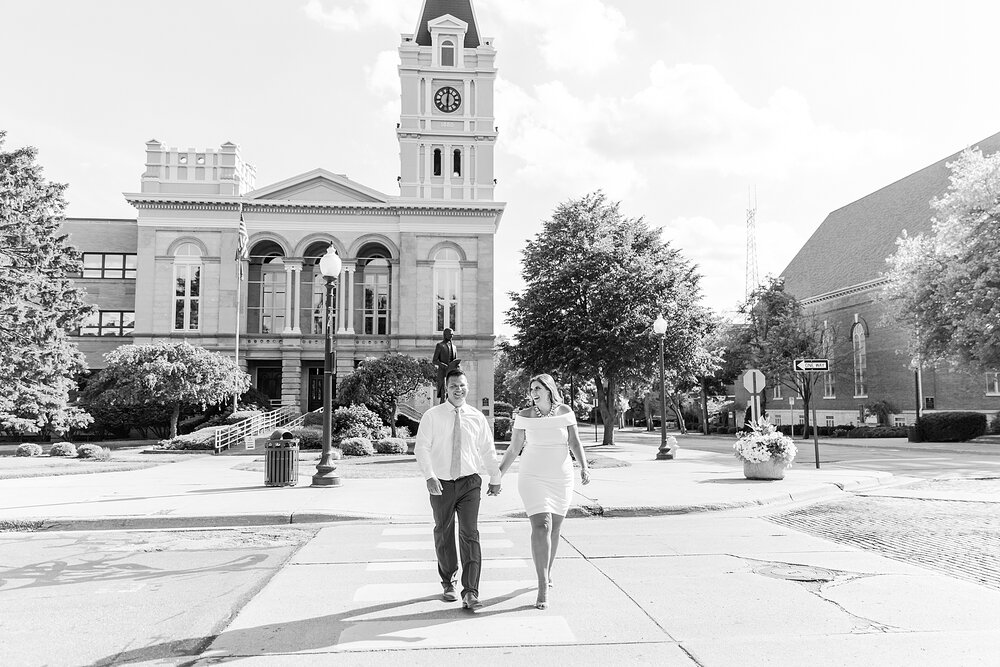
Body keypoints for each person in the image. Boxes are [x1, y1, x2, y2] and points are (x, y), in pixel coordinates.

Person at [498, 373, 590, 610]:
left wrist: (584, 467)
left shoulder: (565, 411)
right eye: (532, 388)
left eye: (539, 387)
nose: (534, 392)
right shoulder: (524, 416)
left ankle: (548, 572)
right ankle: (542, 587)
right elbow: (513, 448)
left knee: (555, 528)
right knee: (542, 525)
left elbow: (575, 442)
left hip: (561, 477)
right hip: (532, 476)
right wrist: (498, 474)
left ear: (549, 390)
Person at [414, 368, 501, 610]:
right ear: (446, 388)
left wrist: (495, 476)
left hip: (470, 482)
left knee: (470, 533)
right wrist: (429, 477)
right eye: (454, 386)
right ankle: (448, 581)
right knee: (443, 531)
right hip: (441, 483)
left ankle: (471, 591)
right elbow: (421, 448)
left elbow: (487, 450)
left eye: (462, 385)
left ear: (467, 387)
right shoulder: (432, 416)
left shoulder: (476, 417)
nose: (458, 389)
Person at [432, 328, 460, 403]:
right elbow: (434, 360)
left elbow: (455, 360)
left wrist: (457, 366)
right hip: (442, 373)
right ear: (445, 335)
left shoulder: (454, 347)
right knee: (443, 393)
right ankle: (442, 411)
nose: (451, 336)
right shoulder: (440, 345)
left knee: (452, 393)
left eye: (452, 334)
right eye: (450, 334)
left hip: (451, 374)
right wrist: (442, 365)